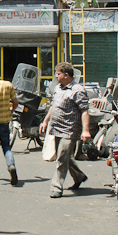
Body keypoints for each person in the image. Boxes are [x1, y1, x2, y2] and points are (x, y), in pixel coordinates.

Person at [39, 61, 90, 198]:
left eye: (58, 73)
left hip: (70, 130)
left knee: (61, 159)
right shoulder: (58, 88)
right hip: (57, 128)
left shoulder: (77, 90)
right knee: (65, 157)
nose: (56, 76)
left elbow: (84, 111)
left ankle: (56, 187)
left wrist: (85, 130)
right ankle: (79, 176)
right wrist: (45, 121)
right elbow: (53, 106)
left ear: (66, 75)